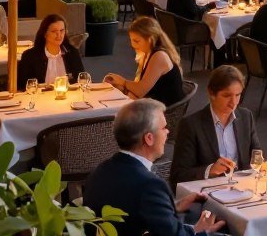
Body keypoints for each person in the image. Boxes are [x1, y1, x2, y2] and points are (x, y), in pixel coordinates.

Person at [84, 99, 225, 236]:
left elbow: (132, 209)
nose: (168, 132)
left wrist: (172, 207)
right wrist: (198, 231)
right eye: (163, 127)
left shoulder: (100, 171)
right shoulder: (150, 185)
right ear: (149, 138)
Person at [171, 66, 263, 185]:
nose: (233, 103)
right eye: (227, 96)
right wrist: (209, 170)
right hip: (209, 191)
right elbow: (178, 175)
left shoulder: (246, 117)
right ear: (211, 93)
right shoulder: (191, 125)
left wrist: (260, 164)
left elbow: (256, 153)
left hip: (242, 187)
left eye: (237, 95)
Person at [104, 16, 185, 108]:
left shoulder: (159, 56)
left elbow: (140, 91)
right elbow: (142, 89)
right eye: (131, 40)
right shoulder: (148, 53)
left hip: (164, 111)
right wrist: (122, 87)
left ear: (150, 39)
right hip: (153, 102)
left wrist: (123, 82)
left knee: (114, 109)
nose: (133, 45)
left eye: (136, 41)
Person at [16, 13, 85, 90]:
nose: (59, 35)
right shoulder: (30, 56)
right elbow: (22, 86)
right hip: (40, 100)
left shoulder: (72, 53)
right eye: (54, 31)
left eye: (62, 30)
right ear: (45, 34)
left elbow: (82, 80)